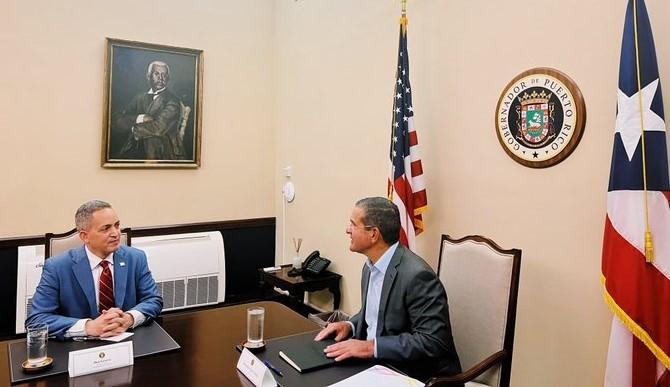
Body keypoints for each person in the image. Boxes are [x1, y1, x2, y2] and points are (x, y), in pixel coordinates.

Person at [315, 197, 461, 381]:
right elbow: (376, 312)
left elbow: (432, 342)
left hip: (414, 374)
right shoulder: (370, 266)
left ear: (374, 234)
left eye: (353, 224)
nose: (347, 230)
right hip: (375, 365)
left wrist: (371, 347)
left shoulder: (417, 276)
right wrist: (350, 325)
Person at [26, 200, 163, 340]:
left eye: (117, 225)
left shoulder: (135, 258)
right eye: (106, 228)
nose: (116, 233)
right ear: (85, 236)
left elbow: (153, 300)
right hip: (78, 347)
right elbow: (37, 320)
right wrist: (88, 327)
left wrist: (129, 318)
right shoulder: (57, 267)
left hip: (127, 340)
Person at [115, 60, 186, 160]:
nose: (161, 78)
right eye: (156, 74)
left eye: (164, 75)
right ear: (148, 76)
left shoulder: (173, 101)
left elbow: (158, 128)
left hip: (163, 153)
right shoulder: (139, 98)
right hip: (136, 149)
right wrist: (139, 118)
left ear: (168, 78)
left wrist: (132, 128)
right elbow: (117, 119)